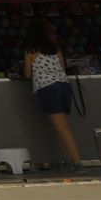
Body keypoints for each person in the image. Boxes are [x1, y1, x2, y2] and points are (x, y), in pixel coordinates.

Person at [25, 24, 83, 170]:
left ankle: (76, 162)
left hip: (47, 88)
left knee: (62, 128)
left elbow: (28, 74)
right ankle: (66, 160)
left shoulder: (31, 51)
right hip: (64, 86)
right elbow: (63, 66)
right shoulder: (55, 49)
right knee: (61, 127)